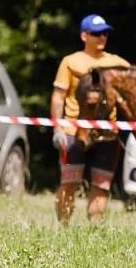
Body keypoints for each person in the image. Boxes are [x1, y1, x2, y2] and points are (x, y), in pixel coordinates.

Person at [49, 14, 131, 225]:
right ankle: (63, 228)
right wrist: (58, 128)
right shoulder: (70, 62)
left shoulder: (118, 64)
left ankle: (94, 230)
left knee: (101, 185)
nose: (102, 37)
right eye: (96, 33)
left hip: (107, 136)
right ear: (84, 36)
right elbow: (58, 96)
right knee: (69, 182)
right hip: (73, 134)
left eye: (105, 33)